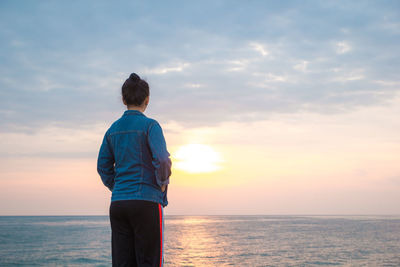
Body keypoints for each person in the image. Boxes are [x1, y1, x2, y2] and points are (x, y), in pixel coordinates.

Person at [97, 73, 172, 267]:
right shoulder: (150, 126)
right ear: (147, 100)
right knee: (149, 262)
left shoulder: (112, 129)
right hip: (146, 202)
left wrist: (118, 186)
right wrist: (162, 183)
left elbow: (102, 166)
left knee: (123, 263)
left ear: (123, 99)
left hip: (119, 204)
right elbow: (162, 159)